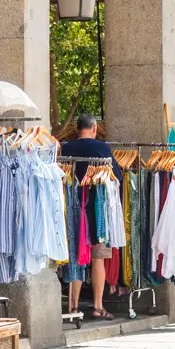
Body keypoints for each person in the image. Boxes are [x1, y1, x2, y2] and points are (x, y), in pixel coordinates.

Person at [61, 114, 122, 320]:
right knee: (98, 259)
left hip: (71, 207)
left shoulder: (66, 148)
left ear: (77, 129)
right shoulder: (102, 148)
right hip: (96, 209)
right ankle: (97, 306)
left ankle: (73, 306)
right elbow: (117, 176)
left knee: (75, 258)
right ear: (94, 128)